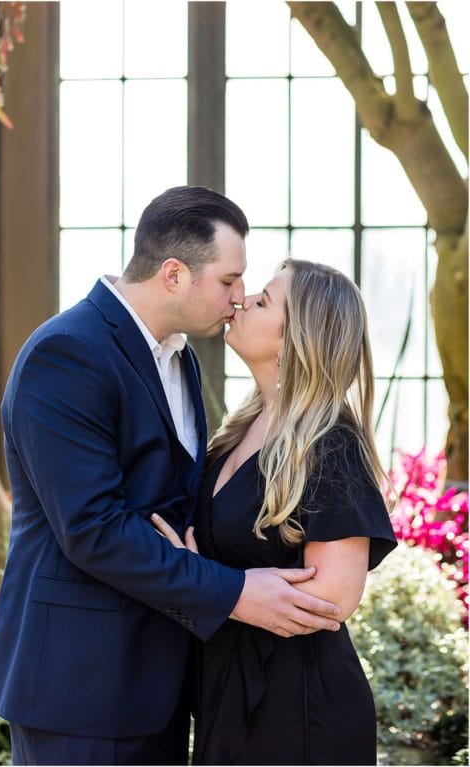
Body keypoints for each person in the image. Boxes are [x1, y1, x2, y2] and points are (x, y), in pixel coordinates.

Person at [0, 186, 347, 765]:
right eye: (229, 281)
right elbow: (94, 529)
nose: (238, 298)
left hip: (161, 678)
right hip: (82, 685)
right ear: (175, 274)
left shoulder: (177, 356)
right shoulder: (68, 353)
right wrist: (234, 592)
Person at [151, 259, 396, 764]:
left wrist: (197, 578)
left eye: (262, 300)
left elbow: (331, 596)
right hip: (228, 693)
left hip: (299, 711)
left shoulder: (328, 443)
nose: (240, 300)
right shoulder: (239, 430)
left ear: (293, 341)